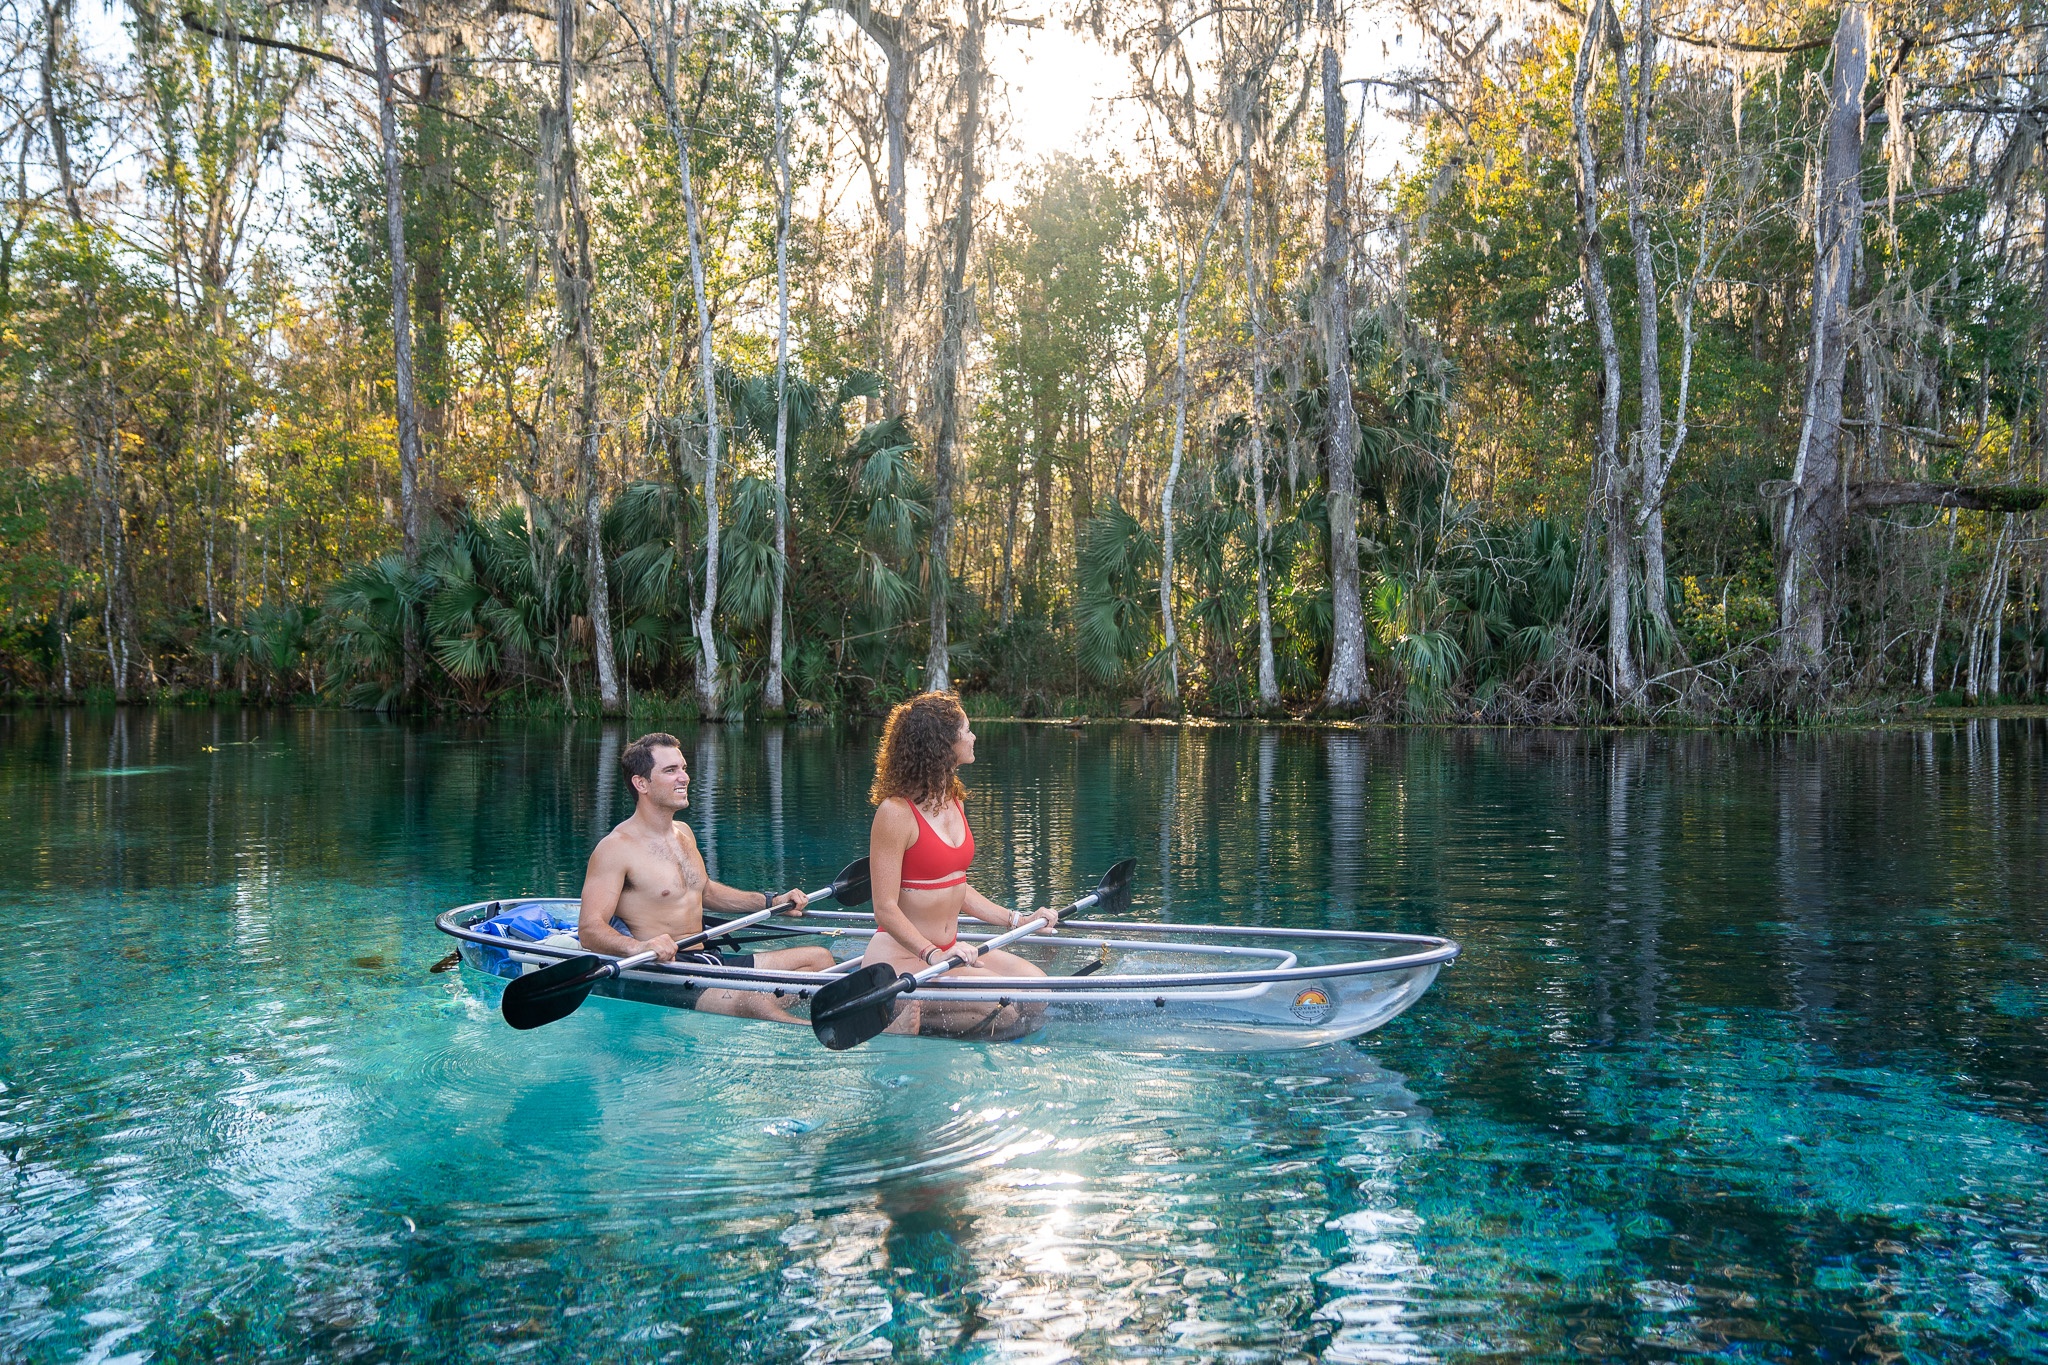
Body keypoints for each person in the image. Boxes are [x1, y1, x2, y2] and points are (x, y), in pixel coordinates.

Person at [579, 733, 833, 1020]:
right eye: (670, 770)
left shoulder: (683, 833)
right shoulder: (616, 848)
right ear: (641, 783)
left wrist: (771, 901)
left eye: (684, 768)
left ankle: (788, 1011)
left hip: (707, 959)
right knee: (757, 1001)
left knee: (820, 959)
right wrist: (639, 947)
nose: (684, 778)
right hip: (662, 973)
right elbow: (589, 930)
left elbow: (706, 891)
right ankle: (812, 1045)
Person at [864, 692, 1053, 1035]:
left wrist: (1018, 919)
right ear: (942, 744)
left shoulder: (954, 802)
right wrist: (931, 954)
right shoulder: (895, 813)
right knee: (1006, 1011)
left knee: (1039, 992)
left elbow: (956, 887)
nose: (973, 737)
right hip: (905, 962)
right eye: (967, 730)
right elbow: (885, 909)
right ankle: (901, 1015)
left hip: (950, 953)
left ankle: (939, 1014)